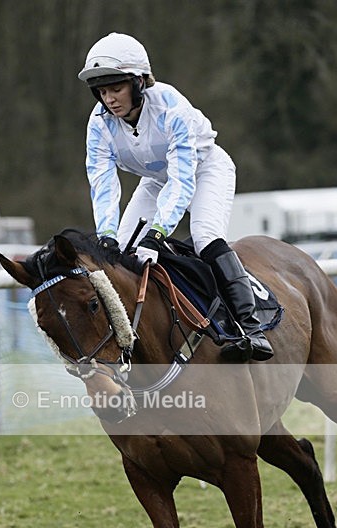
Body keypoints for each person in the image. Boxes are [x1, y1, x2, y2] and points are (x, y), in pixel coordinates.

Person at [78, 32, 273, 361]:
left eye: (116, 88)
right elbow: (102, 181)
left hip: (205, 169)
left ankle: (250, 326)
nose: (108, 98)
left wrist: (158, 232)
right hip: (156, 180)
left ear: (139, 82)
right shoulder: (98, 124)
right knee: (122, 253)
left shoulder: (172, 109)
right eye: (102, 90)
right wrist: (107, 234)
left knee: (204, 236)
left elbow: (183, 180)